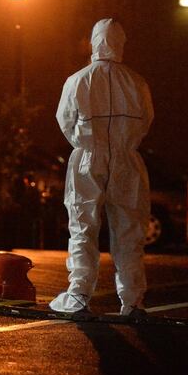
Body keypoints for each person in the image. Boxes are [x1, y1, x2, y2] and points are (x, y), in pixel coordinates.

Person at [49, 18, 154, 319]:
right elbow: (145, 121)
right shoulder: (137, 82)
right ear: (121, 43)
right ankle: (132, 301)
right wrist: (123, 145)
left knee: (82, 226)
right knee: (129, 232)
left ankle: (79, 294)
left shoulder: (78, 80)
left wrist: (85, 145)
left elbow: (65, 120)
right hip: (126, 161)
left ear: (94, 41)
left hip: (87, 159)